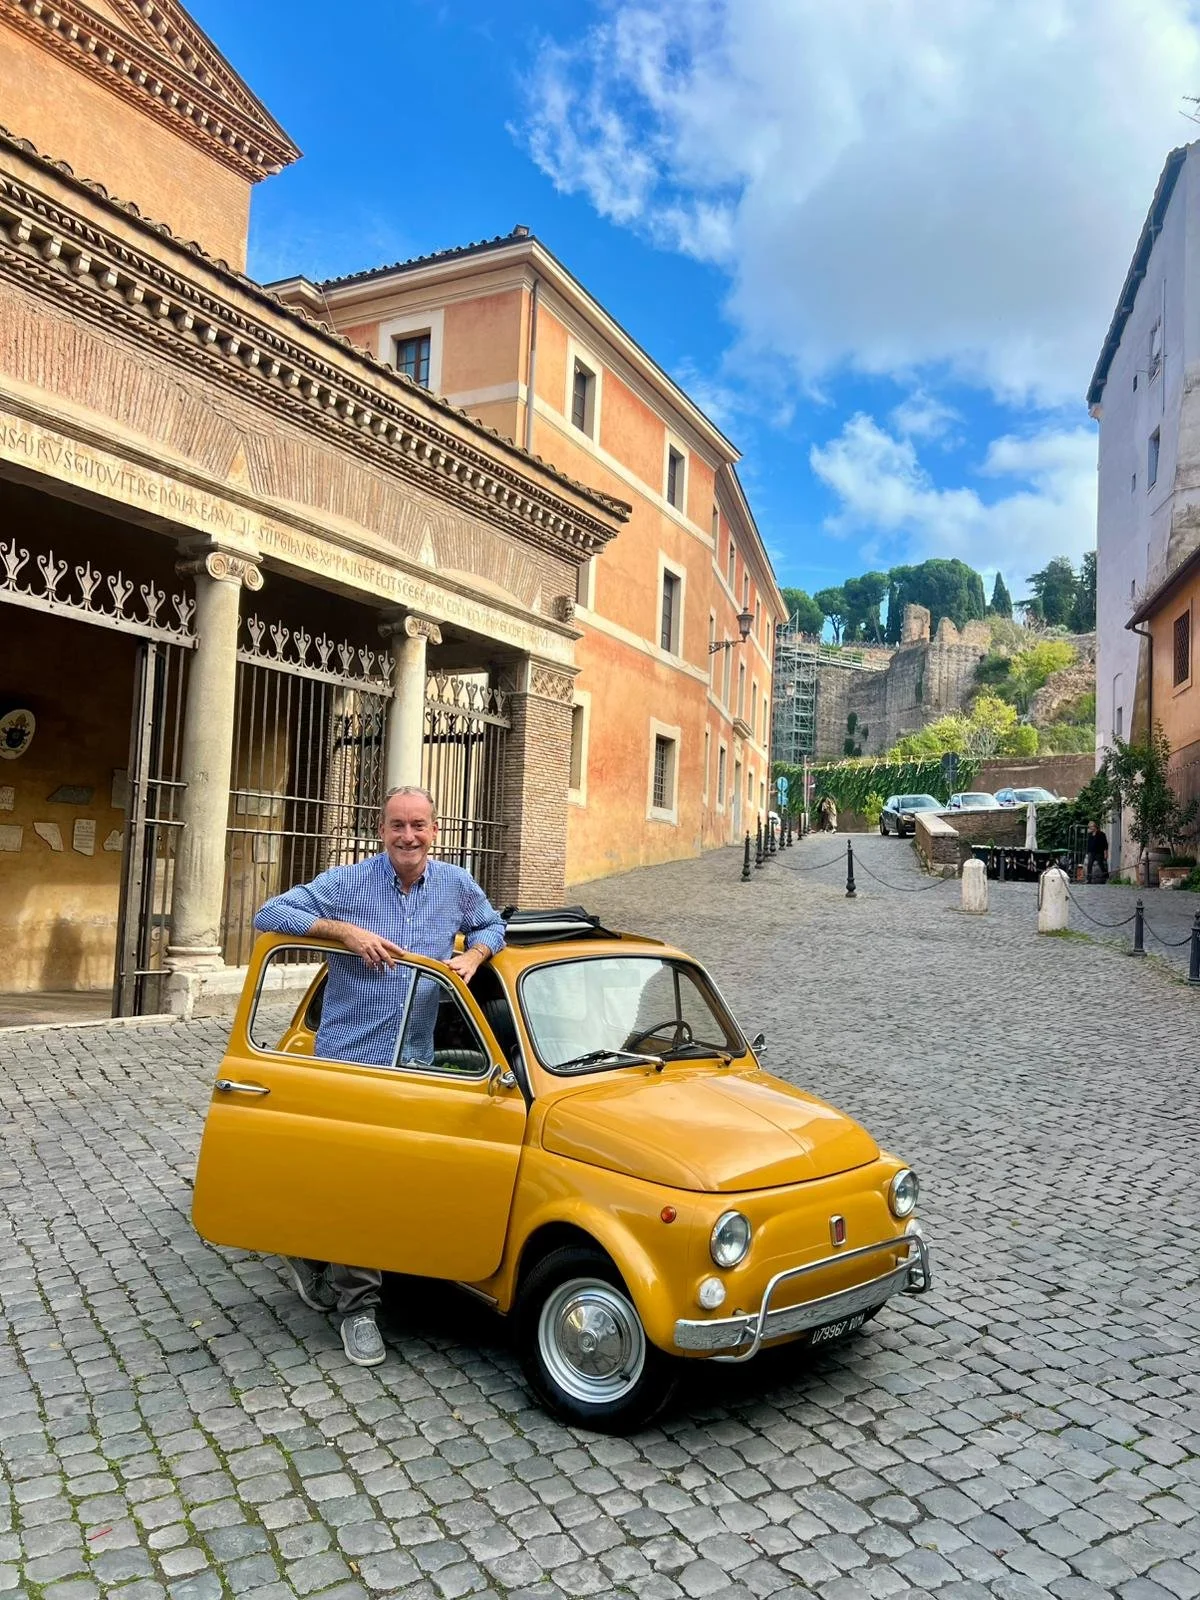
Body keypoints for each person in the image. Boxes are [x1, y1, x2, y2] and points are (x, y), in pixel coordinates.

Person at [253, 784, 505, 1367]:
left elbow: (493, 924)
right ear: (381, 829)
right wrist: (344, 932)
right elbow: (269, 912)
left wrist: (474, 955)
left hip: (412, 1063)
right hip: (350, 1063)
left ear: (435, 830)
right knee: (359, 1186)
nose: (408, 836)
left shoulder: (455, 885)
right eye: (397, 825)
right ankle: (359, 1308)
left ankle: (312, 1252)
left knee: (389, 1183)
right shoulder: (349, 883)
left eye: (419, 824)